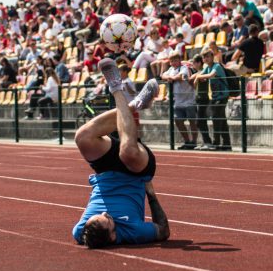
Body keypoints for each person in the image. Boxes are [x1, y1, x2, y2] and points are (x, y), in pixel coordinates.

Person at [72, 59, 168, 248]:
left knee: (82, 137)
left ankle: (134, 105)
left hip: (106, 172)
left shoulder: (81, 230)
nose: (106, 213)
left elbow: (86, 232)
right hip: (136, 171)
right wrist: (151, 193)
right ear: (114, 236)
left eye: (98, 216)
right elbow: (163, 231)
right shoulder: (133, 232)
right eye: (108, 219)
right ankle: (116, 87)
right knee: (127, 152)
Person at [190, 50, 231, 151]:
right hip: (215, 97)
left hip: (222, 96)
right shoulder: (207, 67)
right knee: (221, 120)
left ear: (212, 57)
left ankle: (216, 143)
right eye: (204, 57)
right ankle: (227, 144)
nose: (206, 59)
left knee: (216, 118)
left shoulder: (216, 66)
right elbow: (199, 74)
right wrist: (196, 77)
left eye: (208, 56)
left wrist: (198, 77)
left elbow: (210, 75)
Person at [160, 52, 198, 150]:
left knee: (192, 122)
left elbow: (180, 77)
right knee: (178, 121)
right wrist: (169, 77)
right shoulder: (171, 69)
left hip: (189, 99)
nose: (173, 63)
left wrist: (171, 78)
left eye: (175, 60)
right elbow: (163, 76)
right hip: (178, 101)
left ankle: (194, 142)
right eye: (172, 61)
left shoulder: (184, 68)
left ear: (179, 60)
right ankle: (187, 141)